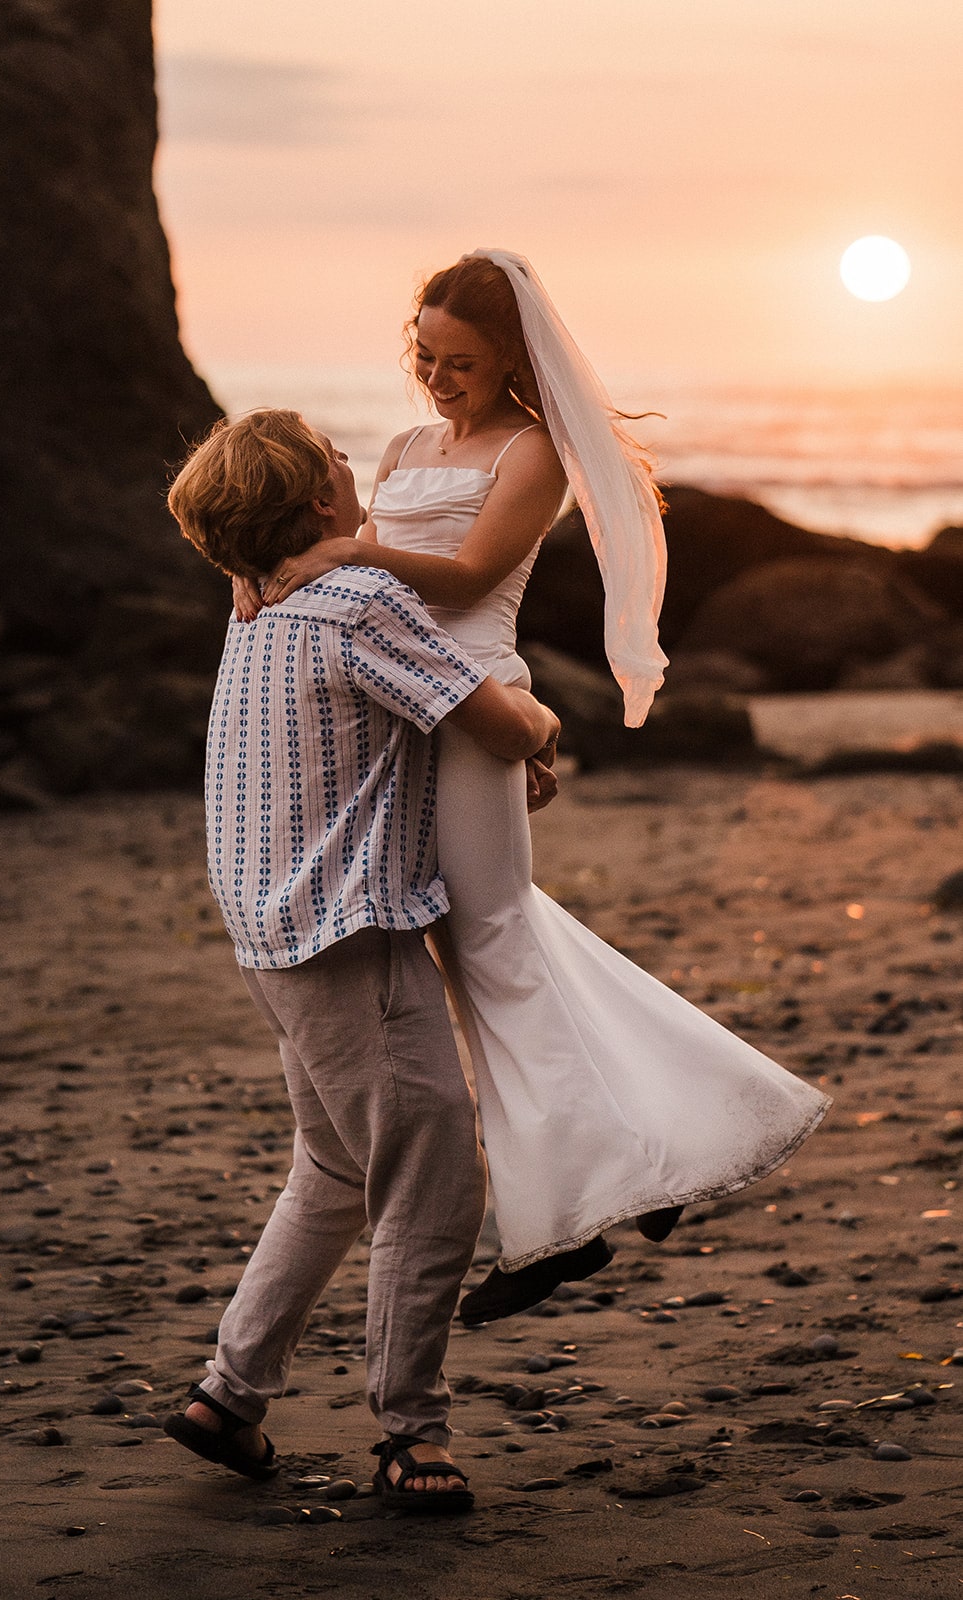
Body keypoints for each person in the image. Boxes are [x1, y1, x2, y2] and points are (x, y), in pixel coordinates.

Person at [233, 251, 831, 1325]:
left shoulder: (535, 449)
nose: (435, 376)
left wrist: (337, 557)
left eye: (458, 359)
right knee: (499, 938)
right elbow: (365, 563)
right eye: (422, 353)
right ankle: (637, 1159)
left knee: (492, 943)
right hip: (413, 703)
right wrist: (275, 564)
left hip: (471, 697)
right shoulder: (411, 443)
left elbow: (462, 576)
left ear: (509, 355)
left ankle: (564, 1214)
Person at [163, 407, 560, 1511]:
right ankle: (408, 1432)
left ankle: (228, 1392)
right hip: (349, 935)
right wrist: (542, 726)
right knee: (434, 1176)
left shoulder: (252, 603)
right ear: (322, 504)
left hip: (269, 935)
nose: (355, 464)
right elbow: (493, 719)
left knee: (338, 1168)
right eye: (338, 460)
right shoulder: (355, 598)